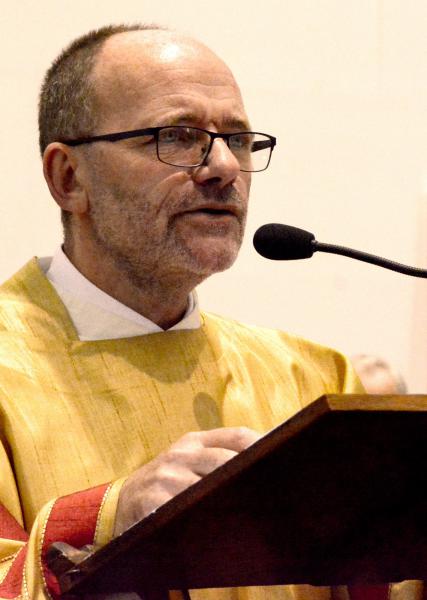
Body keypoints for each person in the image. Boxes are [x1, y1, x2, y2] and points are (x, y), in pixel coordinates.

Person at [0, 23, 411, 600]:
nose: (223, 167)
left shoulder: (316, 382)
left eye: (239, 140)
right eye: (177, 135)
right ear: (69, 178)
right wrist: (107, 518)